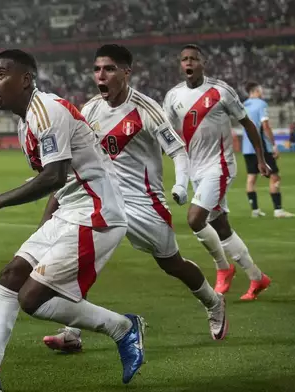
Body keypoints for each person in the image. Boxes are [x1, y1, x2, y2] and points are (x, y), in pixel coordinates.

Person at [0, 49, 144, 392]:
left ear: (26, 79)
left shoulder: (46, 110)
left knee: (32, 299)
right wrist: (46, 225)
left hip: (96, 215)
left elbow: (54, 176)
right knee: (10, 276)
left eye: (1, 74)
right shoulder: (26, 120)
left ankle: (122, 327)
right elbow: (60, 183)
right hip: (70, 213)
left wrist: (0, 200)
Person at [41, 44, 228, 354]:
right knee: (81, 258)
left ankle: (213, 301)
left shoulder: (146, 108)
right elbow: (77, 159)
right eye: (97, 69)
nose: (101, 75)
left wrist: (181, 184)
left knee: (173, 264)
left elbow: (178, 151)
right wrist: (58, 198)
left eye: (109, 69)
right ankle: (73, 331)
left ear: (126, 72)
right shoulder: (88, 111)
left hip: (145, 204)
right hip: (103, 200)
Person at [162, 45, 272, 301]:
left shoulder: (221, 91)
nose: (188, 63)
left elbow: (247, 123)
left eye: (193, 59)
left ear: (203, 62)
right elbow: (165, 132)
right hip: (194, 169)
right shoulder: (173, 96)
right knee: (220, 226)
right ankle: (257, 278)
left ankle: (223, 267)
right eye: (184, 59)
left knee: (195, 219)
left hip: (219, 166)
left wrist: (260, 158)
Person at [242, 82, 295, 218]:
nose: (262, 92)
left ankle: (255, 210)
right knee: (274, 175)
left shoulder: (243, 105)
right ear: (255, 91)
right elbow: (265, 125)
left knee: (251, 178)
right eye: (261, 90)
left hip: (247, 148)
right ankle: (278, 210)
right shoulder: (261, 104)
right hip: (261, 147)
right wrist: (274, 144)